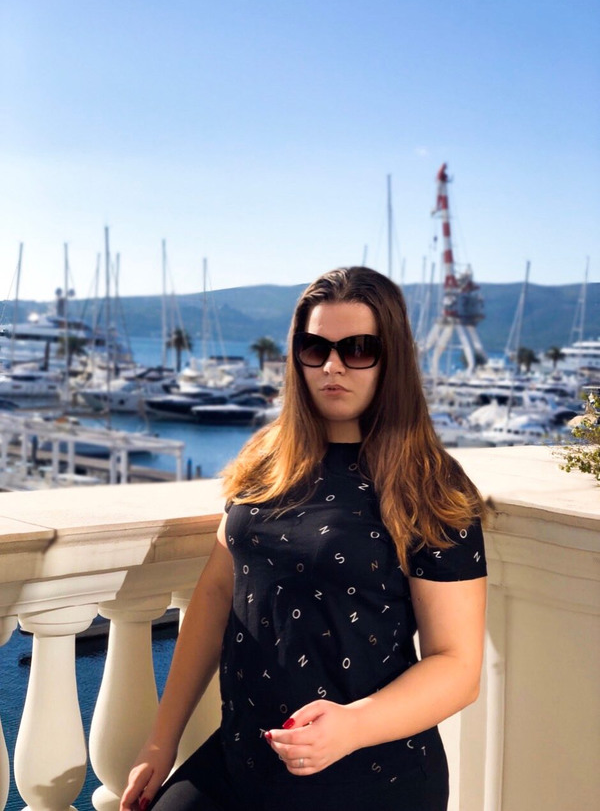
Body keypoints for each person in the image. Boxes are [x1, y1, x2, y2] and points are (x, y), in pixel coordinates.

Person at [120, 266, 487, 811]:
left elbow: (457, 666)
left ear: (391, 358)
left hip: (368, 776)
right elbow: (217, 595)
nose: (332, 366)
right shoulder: (267, 457)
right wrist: (160, 740)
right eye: (315, 348)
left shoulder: (430, 484)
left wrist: (352, 726)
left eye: (358, 349)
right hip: (240, 758)